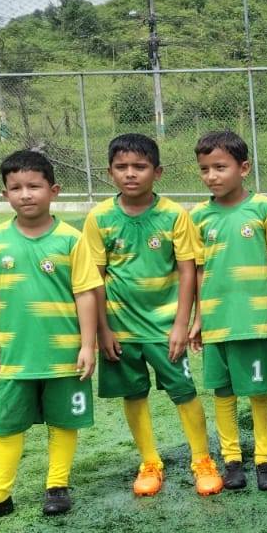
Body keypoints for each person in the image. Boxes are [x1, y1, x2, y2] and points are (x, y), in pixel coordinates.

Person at [0, 149, 98, 525]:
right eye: (16, 188)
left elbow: (85, 293)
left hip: (63, 353)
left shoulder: (71, 239)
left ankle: (57, 487)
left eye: (34, 186)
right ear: (5, 195)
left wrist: (88, 344)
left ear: (54, 191)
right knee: (7, 422)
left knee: (63, 421)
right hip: (15, 354)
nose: (25, 194)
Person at [82, 133, 222, 498]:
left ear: (157, 172)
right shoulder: (99, 218)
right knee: (134, 393)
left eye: (140, 167)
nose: (130, 174)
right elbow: (94, 278)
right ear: (110, 172)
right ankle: (149, 462)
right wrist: (103, 330)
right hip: (121, 329)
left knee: (184, 391)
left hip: (164, 327)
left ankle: (202, 460)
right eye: (121, 167)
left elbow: (188, 271)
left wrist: (181, 324)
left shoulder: (174, 215)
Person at [189, 129, 267, 492]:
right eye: (204, 169)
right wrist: (199, 317)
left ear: (243, 168)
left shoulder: (263, 208)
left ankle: (264, 459)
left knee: (259, 392)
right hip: (217, 321)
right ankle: (231, 459)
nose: (211, 176)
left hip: (254, 319)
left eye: (220, 167)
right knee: (223, 392)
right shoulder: (198, 216)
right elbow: (199, 270)